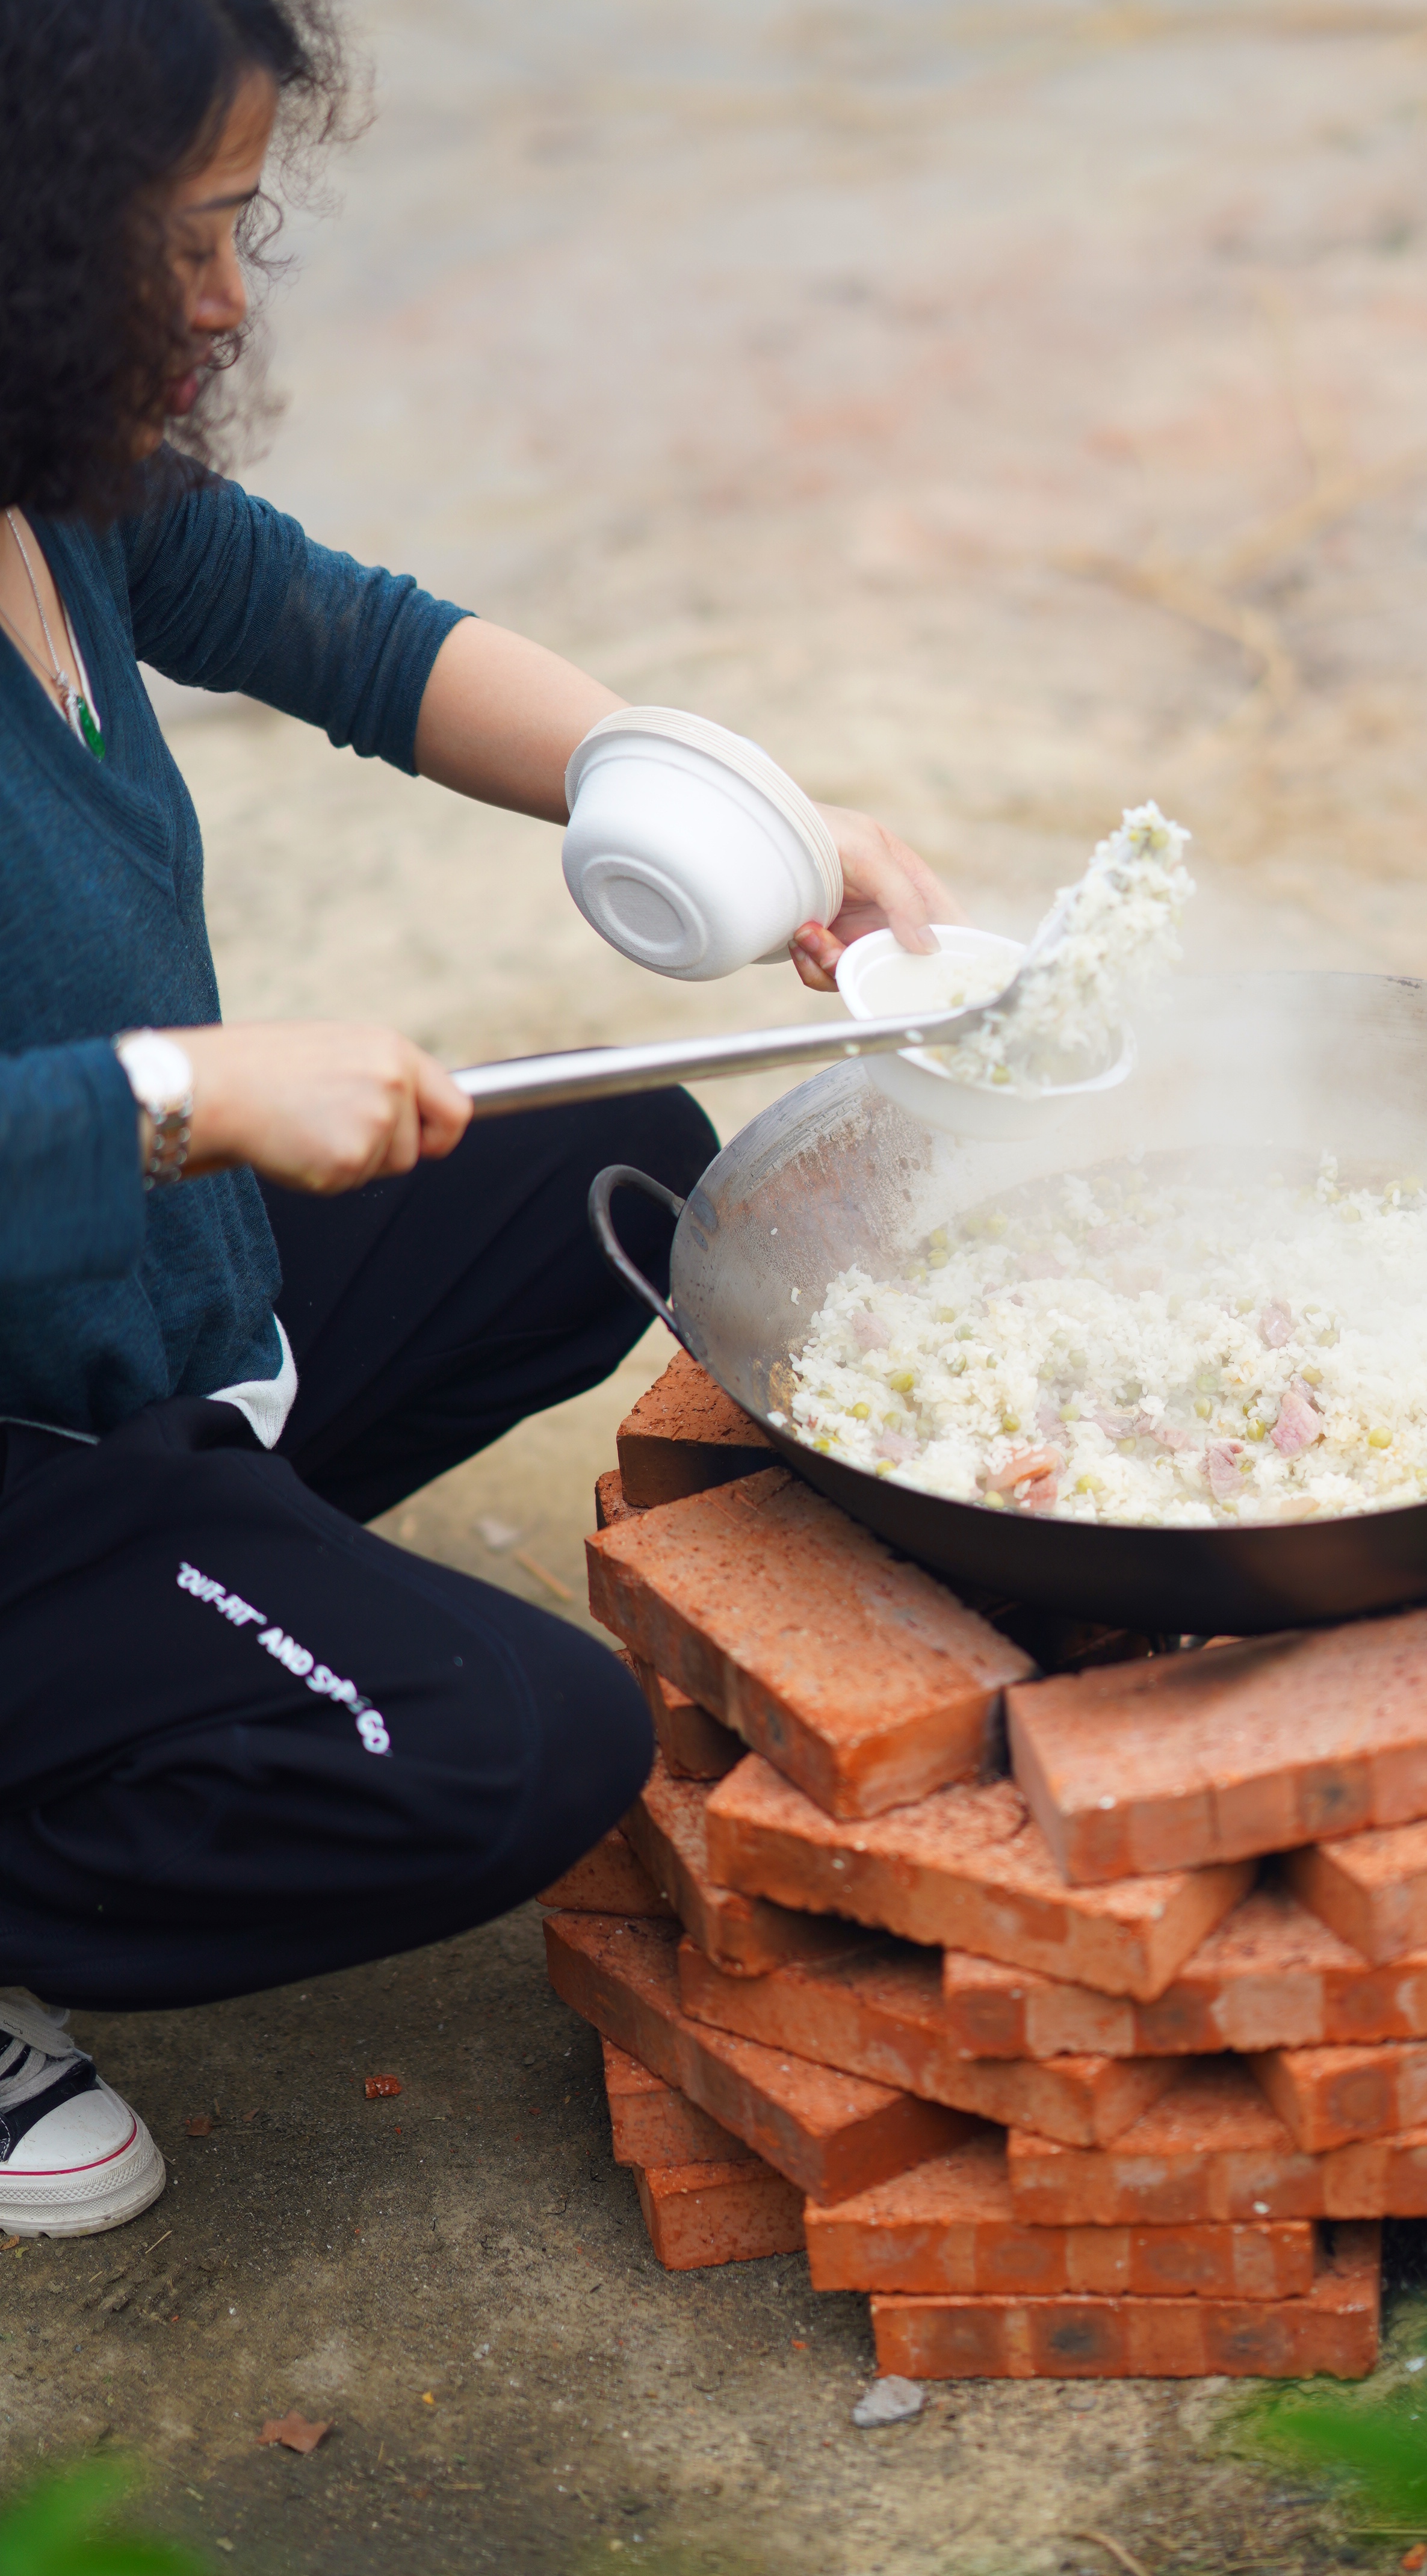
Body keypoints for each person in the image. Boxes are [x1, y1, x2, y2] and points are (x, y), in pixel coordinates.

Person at [0, 0, 956, 2238]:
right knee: (522, 1746)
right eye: (185, 236)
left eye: (245, 228)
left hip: (115, 1328)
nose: (232, 298)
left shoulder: (59, 480)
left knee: (617, 1171)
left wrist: (748, 818)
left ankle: (188, 1599)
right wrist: (180, 1096)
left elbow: (350, 632)